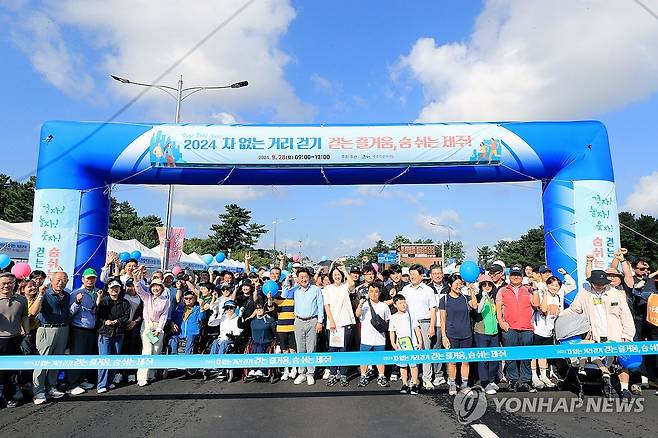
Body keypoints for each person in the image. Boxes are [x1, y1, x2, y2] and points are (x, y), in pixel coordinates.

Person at [565, 269, 636, 399]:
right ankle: (604, 377)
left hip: (615, 333)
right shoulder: (584, 294)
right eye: (597, 283)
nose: (600, 285)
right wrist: (558, 316)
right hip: (595, 334)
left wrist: (627, 335)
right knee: (597, 358)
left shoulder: (616, 294)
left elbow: (626, 316)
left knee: (621, 361)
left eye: (602, 283)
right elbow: (574, 309)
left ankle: (625, 389)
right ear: (591, 282)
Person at [496, 265, 540, 392]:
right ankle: (513, 381)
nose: (516, 277)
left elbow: (536, 304)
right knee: (511, 356)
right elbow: (498, 308)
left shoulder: (528, 290)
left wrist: (535, 290)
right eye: (513, 275)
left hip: (527, 328)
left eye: (518, 275)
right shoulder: (503, 290)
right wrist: (501, 322)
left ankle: (526, 381)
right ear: (510, 277)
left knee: (526, 356)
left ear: (522, 277)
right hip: (510, 328)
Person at [30, 271, 71, 404]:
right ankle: (38, 391)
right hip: (47, 329)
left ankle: (51, 387)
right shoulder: (44, 293)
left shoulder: (67, 295)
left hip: (63, 329)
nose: (61, 282)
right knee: (42, 361)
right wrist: (41, 294)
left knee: (56, 360)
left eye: (64, 280)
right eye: (58, 280)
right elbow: (33, 312)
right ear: (51, 280)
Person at [531, 272, 575, 389]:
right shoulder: (541, 294)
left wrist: (566, 274)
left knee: (544, 353)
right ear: (547, 285)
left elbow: (557, 313)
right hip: (537, 329)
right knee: (534, 354)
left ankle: (544, 376)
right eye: (552, 285)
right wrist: (545, 294)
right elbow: (544, 309)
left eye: (557, 286)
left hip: (549, 331)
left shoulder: (558, 297)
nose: (554, 287)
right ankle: (534, 376)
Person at [439, 273, 477, 395]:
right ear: (450, 285)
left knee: (465, 361)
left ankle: (464, 385)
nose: (459, 287)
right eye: (456, 284)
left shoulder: (466, 298)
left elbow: (475, 306)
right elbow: (442, 319)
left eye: (460, 284)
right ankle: (452, 384)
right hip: (451, 334)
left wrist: (471, 291)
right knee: (452, 361)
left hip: (466, 334)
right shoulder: (444, 299)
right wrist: (444, 336)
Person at [400, 264, 437, 390]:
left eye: (414, 275)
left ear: (421, 276)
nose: (412, 277)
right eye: (411, 275)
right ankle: (413, 378)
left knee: (426, 351)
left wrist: (432, 326)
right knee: (411, 351)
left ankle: (427, 379)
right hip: (409, 323)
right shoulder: (405, 289)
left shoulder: (428, 290)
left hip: (425, 322)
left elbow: (433, 309)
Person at [67, 267, 102, 396]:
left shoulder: (98, 292)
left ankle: (82, 380)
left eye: (93, 278)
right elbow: (69, 313)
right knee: (77, 356)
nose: (90, 281)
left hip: (91, 329)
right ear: (83, 279)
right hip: (78, 329)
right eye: (88, 278)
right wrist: (77, 302)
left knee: (87, 356)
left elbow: (96, 311)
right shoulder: (76, 293)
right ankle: (72, 384)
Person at [132, 268, 170, 387]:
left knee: (156, 351)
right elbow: (138, 288)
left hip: (159, 327)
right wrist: (135, 277)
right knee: (147, 351)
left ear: (162, 288)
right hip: (147, 325)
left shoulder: (165, 301)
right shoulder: (147, 296)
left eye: (158, 286)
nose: (156, 288)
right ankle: (142, 377)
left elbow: (164, 316)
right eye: (153, 286)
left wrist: (159, 330)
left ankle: (151, 374)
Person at [323, 261, 356, 387]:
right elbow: (327, 306)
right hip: (333, 325)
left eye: (339, 274)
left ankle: (343, 375)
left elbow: (352, 284)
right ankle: (332, 373)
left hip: (345, 322)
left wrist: (345, 270)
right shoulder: (327, 289)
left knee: (344, 350)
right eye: (335, 274)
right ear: (331, 276)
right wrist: (331, 321)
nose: (337, 276)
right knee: (332, 350)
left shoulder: (345, 286)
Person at [96, 279, 131, 393]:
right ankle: (101, 384)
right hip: (105, 332)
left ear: (120, 289)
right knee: (104, 358)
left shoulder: (125, 302)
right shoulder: (104, 301)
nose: (114, 290)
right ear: (108, 290)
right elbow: (97, 313)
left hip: (118, 333)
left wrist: (116, 321)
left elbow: (126, 317)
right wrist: (105, 321)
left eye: (117, 287)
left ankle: (110, 381)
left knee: (115, 358)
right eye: (112, 288)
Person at [0, 273, 29, 408]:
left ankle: (10, 396)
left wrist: (27, 332)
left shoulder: (22, 299)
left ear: (14, 283)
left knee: (11, 371)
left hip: (15, 339)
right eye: (3, 283)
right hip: (0, 340)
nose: (6, 285)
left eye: (10, 282)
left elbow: (24, 317)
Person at [292, 268, 324, 385]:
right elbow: (285, 294)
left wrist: (320, 322)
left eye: (305, 277)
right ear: (298, 279)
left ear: (309, 277)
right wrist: (287, 281)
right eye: (301, 277)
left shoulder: (316, 290)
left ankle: (310, 373)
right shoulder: (295, 290)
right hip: (299, 321)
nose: (303, 279)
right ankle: (302, 373)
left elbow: (320, 306)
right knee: (300, 348)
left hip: (312, 321)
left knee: (311, 348)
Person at [355, 282, 391, 387]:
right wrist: (360, 304)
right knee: (364, 358)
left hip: (380, 337)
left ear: (379, 293)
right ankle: (363, 376)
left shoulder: (384, 306)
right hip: (366, 338)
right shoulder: (364, 305)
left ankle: (381, 376)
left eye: (376, 291)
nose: (373, 294)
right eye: (371, 291)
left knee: (380, 358)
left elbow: (388, 321)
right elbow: (358, 314)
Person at [389, 295, 423, 395]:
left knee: (413, 365)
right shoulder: (393, 317)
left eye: (404, 302)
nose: (403, 305)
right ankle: (404, 384)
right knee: (403, 365)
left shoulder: (411, 315)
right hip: (401, 345)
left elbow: (417, 329)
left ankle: (414, 384)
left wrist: (420, 342)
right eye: (400, 303)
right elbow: (392, 331)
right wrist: (393, 343)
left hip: (413, 344)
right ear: (395, 305)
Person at [472, 275, 500, 395]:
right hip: (482, 332)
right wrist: (483, 297)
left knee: (494, 357)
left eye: (489, 284)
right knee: (483, 358)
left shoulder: (494, 297)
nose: (487, 287)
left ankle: (491, 379)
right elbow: (478, 310)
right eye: (484, 284)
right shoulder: (478, 297)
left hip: (494, 332)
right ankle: (484, 382)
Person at [240, 300, 276, 378]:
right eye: (257, 309)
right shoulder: (252, 321)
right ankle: (253, 368)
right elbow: (240, 326)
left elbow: (275, 333)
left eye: (261, 308)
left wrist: (277, 342)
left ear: (264, 309)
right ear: (255, 310)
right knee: (253, 347)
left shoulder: (269, 320)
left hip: (267, 341)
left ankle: (262, 369)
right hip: (255, 341)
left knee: (259, 348)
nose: (259, 310)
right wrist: (241, 315)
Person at [208, 300, 243, 380]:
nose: (229, 310)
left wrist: (233, 334)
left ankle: (219, 366)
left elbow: (240, 329)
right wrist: (214, 313)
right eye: (227, 308)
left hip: (232, 340)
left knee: (224, 343)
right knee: (215, 342)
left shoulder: (238, 318)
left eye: (231, 308)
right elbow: (211, 323)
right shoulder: (223, 317)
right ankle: (211, 363)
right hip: (221, 339)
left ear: (234, 308)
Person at [427, 264, 448, 387]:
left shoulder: (449, 288)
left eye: (439, 273)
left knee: (449, 348)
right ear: (430, 275)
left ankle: (449, 374)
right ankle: (438, 374)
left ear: (442, 274)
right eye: (434, 274)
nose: (437, 276)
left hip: (448, 324)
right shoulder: (428, 289)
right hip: (434, 324)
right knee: (436, 349)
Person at [118, 278, 143, 384]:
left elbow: (143, 313)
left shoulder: (141, 298)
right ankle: (119, 373)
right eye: (129, 286)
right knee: (121, 349)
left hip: (134, 327)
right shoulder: (121, 296)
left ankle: (131, 372)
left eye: (133, 286)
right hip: (121, 326)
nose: (131, 288)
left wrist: (134, 322)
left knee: (133, 349)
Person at [169, 290, 205, 355]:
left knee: (190, 338)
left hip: (192, 334)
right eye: (186, 298)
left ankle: (187, 358)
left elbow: (202, 318)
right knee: (173, 339)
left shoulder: (197, 309)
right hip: (179, 333)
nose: (188, 300)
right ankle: (173, 357)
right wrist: (172, 323)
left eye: (191, 298)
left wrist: (202, 307)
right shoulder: (179, 309)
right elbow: (172, 318)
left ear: (195, 299)